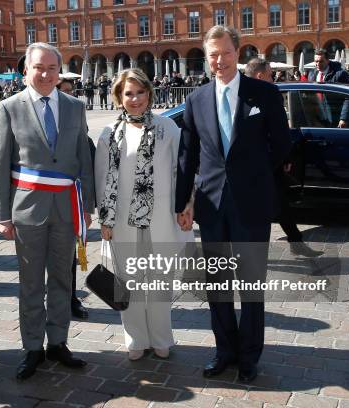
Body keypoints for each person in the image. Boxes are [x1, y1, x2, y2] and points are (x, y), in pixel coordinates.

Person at [175, 26, 292, 384]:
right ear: (206, 57)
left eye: (226, 53)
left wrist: (255, 176)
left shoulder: (264, 93)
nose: (220, 60)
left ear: (237, 53)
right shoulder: (196, 99)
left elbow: (283, 145)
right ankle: (224, 351)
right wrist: (182, 202)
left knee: (251, 287)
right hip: (211, 206)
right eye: (213, 54)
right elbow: (187, 155)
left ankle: (249, 357)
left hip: (251, 205)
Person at [0, 42, 94, 381]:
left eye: (52, 68)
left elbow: (84, 159)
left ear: (59, 71)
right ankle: (33, 346)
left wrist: (87, 206)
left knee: (63, 281)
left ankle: (59, 342)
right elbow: (0, 165)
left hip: (67, 210)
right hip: (27, 212)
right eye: (39, 67)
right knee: (31, 283)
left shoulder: (75, 106)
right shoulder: (8, 108)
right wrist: (3, 215)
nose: (46, 74)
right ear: (26, 71)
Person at [96, 68, 194, 361]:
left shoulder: (168, 128)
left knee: (160, 280)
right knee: (128, 281)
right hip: (123, 221)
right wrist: (105, 220)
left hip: (162, 217)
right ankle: (136, 337)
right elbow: (102, 179)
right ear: (118, 97)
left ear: (149, 94)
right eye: (128, 93)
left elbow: (182, 171)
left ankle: (162, 337)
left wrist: (188, 205)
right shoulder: (108, 134)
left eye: (140, 92)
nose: (135, 98)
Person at [245, 59, 324, 258]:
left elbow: (279, 132)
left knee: (280, 203)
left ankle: (295, 242)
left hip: (270, 161)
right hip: (250, 165)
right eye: (271, 75)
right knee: (262, 206)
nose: (273, 79)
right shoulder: (238, 96)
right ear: (260, 76)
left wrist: (283, 156)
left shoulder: (269, 96)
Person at [56, 78, 92, 320]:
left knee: (71, 255)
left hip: (71, 200)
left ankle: (70, 299)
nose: (71, 96)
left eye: (72, 91)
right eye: (65, 92)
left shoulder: (76, 116)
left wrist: (88, 203)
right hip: (44, 201)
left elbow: (88, 155)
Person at [308, 49, 349, 128]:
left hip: (336, 118)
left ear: (327, 61)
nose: (317, 64)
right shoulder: (312, 74)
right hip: (319, 119)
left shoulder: (340, 74)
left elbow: (348, 97)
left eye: (321, 61)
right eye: (316, 61)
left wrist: (343, 118)